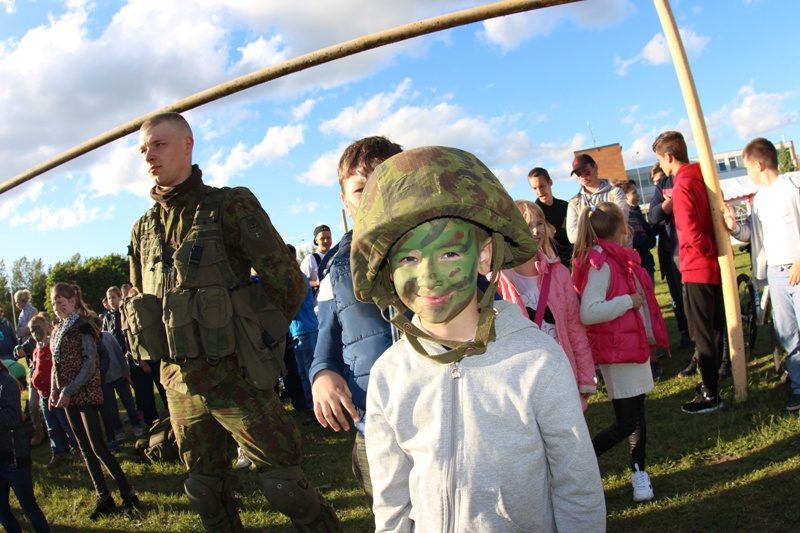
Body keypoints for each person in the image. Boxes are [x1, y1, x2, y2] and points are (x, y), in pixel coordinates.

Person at [351, 146, 606, 532]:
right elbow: (391, 505)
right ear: (387, 272)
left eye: (451, 252)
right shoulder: (389, 376)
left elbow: (578, 487)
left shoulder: (537, 359)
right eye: (408, 259)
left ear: (485, 256)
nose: (429, 276)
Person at [128, 112, 339, 531]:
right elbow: (142, 297)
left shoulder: (230, 205)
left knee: (285, 487)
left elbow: (286, 281)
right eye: (143, 149)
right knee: (206, 491)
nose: (149, 156)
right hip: (180, 384)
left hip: (237, 378)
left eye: (159, 144)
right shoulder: (143, 229)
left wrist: (257, 346)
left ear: (188, 145)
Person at [309, 136, 402, 504]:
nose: (374, 194)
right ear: (345, 200)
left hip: (446, 418)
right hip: (373, 426)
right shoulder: (335, 269)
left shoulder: (439, 244)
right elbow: (325, 348)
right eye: (362, 188)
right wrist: (322, 376)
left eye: (385, 180)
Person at [572, 202, 668, 503]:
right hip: (619, 353)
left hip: (631, 348)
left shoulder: (619, 259)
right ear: (621, 228)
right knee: (627, 421)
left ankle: (639, 471)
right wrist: (629, 301)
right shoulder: (603, 264)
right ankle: (575, 465)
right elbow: (588, 312)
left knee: (637, 416)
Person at [494, 199, 596, 410]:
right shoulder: (497, 279)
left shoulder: (559, 273)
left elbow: (574, 327)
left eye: (539, 223)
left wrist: (586, 376)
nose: (535, 231)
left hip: (561, 370)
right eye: (528, 225)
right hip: (523, 378)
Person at [49, 282, 139, 519]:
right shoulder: (57, 330)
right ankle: (104, 496)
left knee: (98, 446)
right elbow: (55, 366)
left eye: (61, 302)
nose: (56, 306)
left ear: (72, 301)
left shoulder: (84, 326)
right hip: (68, 397)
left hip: (86, 393)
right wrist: (54, 391)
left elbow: (90, 364)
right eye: (53, 302)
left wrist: (68, 390)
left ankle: (127, 492)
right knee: (83, 447)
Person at [723, 137, 800, 411]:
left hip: (797, 269)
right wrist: (733, 227)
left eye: (748, 168)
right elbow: (752, 235)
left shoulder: (792, 186)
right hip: (776, 273)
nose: (748, 174)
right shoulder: (760, 199)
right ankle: (798, 386)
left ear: (759, 163)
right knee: (787, 332)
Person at [653, 131, 725, 414]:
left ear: (669, 156)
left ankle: (710, 394)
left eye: (661, 160)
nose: (662, 166)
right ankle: (713, 381)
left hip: (697, 266)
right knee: (713, 327)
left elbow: (690, 231)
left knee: (702, 332)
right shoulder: (700, 176)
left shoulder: (682, 184)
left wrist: (710, 248)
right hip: (707, 265)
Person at [648, 163, 693, 369]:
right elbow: (654, 217)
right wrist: (669, 204)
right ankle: (686, 333)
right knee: (678, 296)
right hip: (671, 249)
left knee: (694, 296)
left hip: (693, 250)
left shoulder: (691, 176)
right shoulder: (663, 185)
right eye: (654, 181)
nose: (658, 181)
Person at [0, 358, 51, 533]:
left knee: (29, 506)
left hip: (13, 457)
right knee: (2, 512)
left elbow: (12, 418)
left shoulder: (6, 383)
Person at [28, 313, 78, 468]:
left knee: (65, 423)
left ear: (47, 328)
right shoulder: (36, 350)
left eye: (38, 329)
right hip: (43, 395)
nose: (35, 333)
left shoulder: (52, 345)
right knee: (51, 426)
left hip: (55, 393)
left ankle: (77, 449)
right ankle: (58, 452)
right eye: (32, 331)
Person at [103, 286, 150, 437]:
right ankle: (133, 416)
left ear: (120, 298)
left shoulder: (124, 312)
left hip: (129, 354)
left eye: (114, 297)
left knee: (136, 388)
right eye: (109, 298)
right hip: (115, 359)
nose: (111, 301)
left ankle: (139, 414)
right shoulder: (106, 317)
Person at [565, 153, 629, 243]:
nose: (583, 176)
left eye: (586, 171)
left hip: (617, 252)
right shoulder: (574, 203)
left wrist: (586, 226)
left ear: (595, 167)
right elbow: (572, 237)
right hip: (594, 255)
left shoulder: (615, 192)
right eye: (578, 174)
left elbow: (620, 220)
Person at [528, 167, 573, 266]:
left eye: (541, 186)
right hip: (549, 263)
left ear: (550, 182)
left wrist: (555, 231)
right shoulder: (534, 213)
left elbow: (572, 237)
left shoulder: (566, 206)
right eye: (535, 188)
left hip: (572, 259)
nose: (539, 191)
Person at [622, 181, 656, 280]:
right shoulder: (626, 217)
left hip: (647, 263)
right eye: (634, 193)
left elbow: (652, 239)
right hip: (636, 266)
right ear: (624, 196)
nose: (638, 195)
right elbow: (635, 241)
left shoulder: (637, 212)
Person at [300, 224, 333, 296]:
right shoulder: (310, 259)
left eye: (328, 237)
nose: (326, 241)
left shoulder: (337, 255)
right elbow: (300, 282)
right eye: (322, 238)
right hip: (319, 303)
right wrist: (316, 283)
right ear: (316, 240)